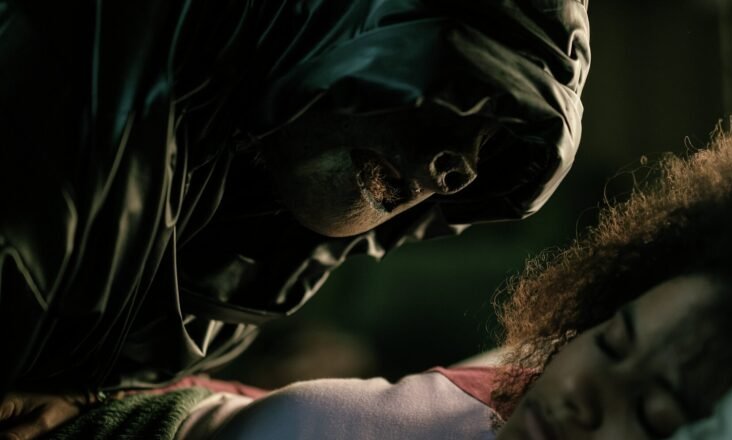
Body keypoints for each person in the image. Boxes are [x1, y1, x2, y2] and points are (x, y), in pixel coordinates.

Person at [23, 129, 732, 439]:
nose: (587, 392)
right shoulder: (493, 396)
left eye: (653, 416)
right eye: (612, 341)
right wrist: (101, 402)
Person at [0, 0, 592, 401]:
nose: (460, 172)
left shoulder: (248, 240)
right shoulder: (79, 49)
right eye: (466, 90)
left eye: (494, 144)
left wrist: (87, 401)